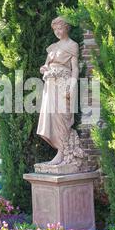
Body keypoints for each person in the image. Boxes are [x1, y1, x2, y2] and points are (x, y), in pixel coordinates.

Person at [37, 16, 85, 165]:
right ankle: (59, 151)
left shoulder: (72, 45)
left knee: (62, 117)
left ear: (66, 28)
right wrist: (44, 68)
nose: (57, 32)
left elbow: (75, 68)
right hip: (50, 85)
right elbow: (46, 65)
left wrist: (72, 85)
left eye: (60, 28)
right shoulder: (52, 47)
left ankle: (62, 153)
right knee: (51, 116)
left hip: (63, 83)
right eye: (55, 29)